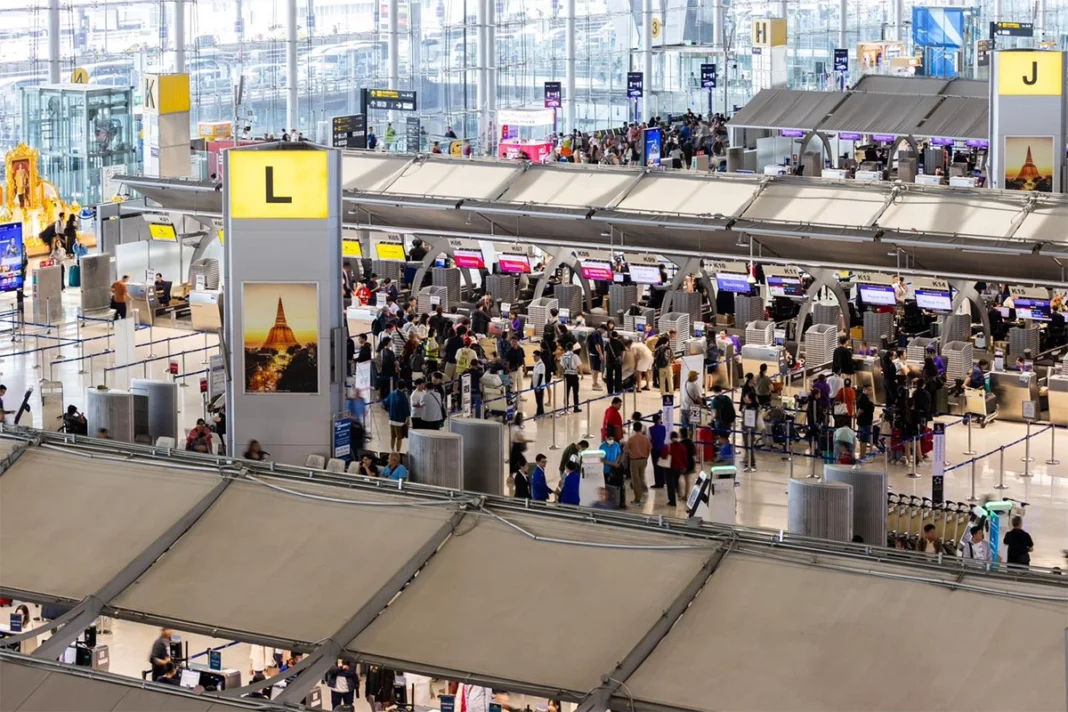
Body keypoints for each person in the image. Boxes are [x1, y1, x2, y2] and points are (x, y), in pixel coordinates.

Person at [625, 421, 652, 505]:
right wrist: (646, 457)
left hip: (634, 461)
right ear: (641, 428)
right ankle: (643, 492)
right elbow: (649, 449)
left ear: (634, 429)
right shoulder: (646, 438)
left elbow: (626, 450)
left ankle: (638, 498)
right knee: (641, 477)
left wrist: (631, 453)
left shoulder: (631, 439)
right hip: (643, 460)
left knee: (635, 479)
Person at [600, 430, 624, 508]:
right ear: (606, 438)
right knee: (607, 485)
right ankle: (607, 501)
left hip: (615, 469)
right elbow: (602, 459)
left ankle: (617, 501)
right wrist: (612, 464)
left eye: (612, 439)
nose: (611, 440)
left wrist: (616, 462)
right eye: (610, 439)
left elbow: (619, 454)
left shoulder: (616, 444)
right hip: (606, 469)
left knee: (616, 485)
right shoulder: (602, 446)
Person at [384, 381, 411, 452]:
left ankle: (392, 450)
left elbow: (385, 404)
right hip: (399, 421)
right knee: (399, 438)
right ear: (404, 387)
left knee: (392, 437)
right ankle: (398, 452)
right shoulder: (403, 397)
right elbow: (406, 409)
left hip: (391, 419)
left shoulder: (392, 394)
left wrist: (389, 412)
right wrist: (408, 420)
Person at [665, 431, 687, 507]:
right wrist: (684, 466)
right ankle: (679, 495)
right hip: (679, 468)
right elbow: (684, 457)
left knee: (670, 485)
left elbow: (663, 455)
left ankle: (672, 501)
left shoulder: (669, 446)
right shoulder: (682, 446)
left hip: (670, 467)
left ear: (670, 438)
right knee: (677, 482)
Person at [856, 384, 876, 459]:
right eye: (869, 389)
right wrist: (857, 415)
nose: (871, 391)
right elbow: (861, 410)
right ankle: (862, 455)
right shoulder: (863, 399)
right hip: (864, 422)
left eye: (871, 389)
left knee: (863, 439)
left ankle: (862, 454)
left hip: (864, 421)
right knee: (863, 439)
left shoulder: (864, 398)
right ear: (865, 390)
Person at [561, 343, 582, 413]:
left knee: (566, 392)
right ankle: (576, 408)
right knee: (575, 392)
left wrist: (562, 374)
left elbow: (562, 367)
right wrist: (581, 374)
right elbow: (579, 366)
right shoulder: (575, 356)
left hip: (566, 375)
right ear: (572, 348)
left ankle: (566, 407)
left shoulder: (563, 356)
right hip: (573, 375)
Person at [649, 413, 667, 490]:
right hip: (662, 448)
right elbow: (664, 437)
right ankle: (662, 482)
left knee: (656, 466)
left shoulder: (650, 429)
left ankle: (658, 483)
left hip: (654, 449)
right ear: (659, 420)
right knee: (662, 465)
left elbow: (650, 439)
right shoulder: (663, 428)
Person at [588, 325, 605, 391]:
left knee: (595, 369)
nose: (604, 332)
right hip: (595, 354)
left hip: (594, 353)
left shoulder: (596, 333)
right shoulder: (597, 334)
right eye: (604, 331)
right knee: (595, 370)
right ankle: (594, 384)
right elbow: (597, 345)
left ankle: (595, 382)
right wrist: (601, 354)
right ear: (602, 329)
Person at [531, 349, 548, 416]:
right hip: (536, 385)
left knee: (539, 400)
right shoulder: (536, 364)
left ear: (539, 356)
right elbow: (534, 375)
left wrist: (538, 386)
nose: (534, 358)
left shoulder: (541, 365)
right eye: (533, 356)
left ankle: (540, 413)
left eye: (535, 356)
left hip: (539, 386)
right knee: (538, 400)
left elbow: (541, 376)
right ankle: (540, 412)